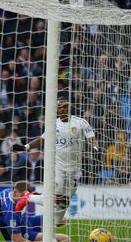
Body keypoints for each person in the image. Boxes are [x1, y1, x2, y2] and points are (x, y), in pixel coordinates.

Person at [12, 97, 99, 226]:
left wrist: (95, 148)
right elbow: (42, 139)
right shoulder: (53, 124)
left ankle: (56, 221)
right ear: (57, 110)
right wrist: (26, 147)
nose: (63, 109)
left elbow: (91, 137)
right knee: (58, 195)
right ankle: (29, 197)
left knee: (65, 199)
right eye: (60, 107)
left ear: (70, 107)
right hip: (58, 167)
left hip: (75, 168)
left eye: (65, 106)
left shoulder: (81, 123)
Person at [0, 180, 70, 242]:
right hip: (25, 231)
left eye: (26, 197)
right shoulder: (11, 214)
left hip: (28, 220)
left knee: (62, 219)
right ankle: (46, 237)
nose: (25, 199)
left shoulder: (7, 192)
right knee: (66, 239)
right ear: (15, 192)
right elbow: (18, 241)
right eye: (23, 197)